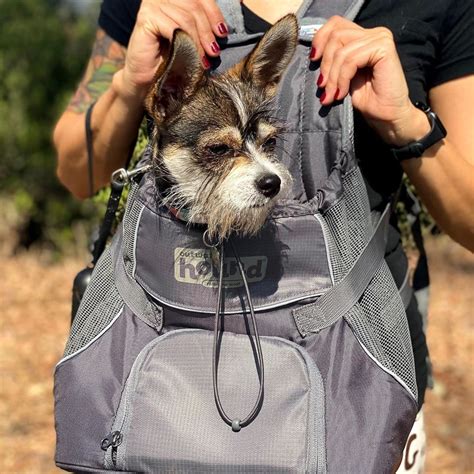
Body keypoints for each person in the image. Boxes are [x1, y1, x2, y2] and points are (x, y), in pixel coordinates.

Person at [53, 0, 474, 470]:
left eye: (268, 144)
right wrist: (130, 83)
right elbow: (76, 173)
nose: (265, 171)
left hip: (350, 385)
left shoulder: (433, 6)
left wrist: (407, 122)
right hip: (159, 395)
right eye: (219, 151)